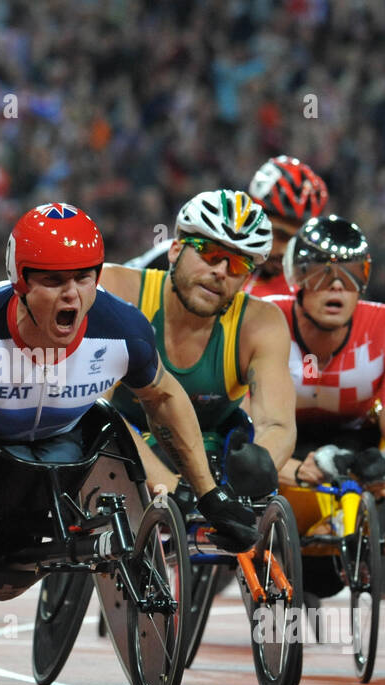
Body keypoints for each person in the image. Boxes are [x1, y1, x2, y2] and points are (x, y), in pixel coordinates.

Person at [0, 202, 259, 600]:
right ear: (20, 281)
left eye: (83, 278)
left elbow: (164, 395)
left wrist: (209, 494)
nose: (72, 296)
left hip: (64, 448)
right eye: (54, 281)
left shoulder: (123, 330)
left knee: (3, 580)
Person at [268, 215, 385, 599]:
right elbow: (246, 431)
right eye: (322, 273)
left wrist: (384, 466)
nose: (338, 284)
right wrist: (292, 472)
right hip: (283, 441)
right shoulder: (264, 320)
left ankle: (344, 529)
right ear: (296, 277)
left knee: (324, 575)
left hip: (355, 441)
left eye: (353, 273)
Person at [103, 189, 296, 500]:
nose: (220, 271)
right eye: (208, 252)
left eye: (237, 265)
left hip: (211, 453)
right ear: (175, 249)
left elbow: (277, 423)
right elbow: (94, 408)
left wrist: (254, 468)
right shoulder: (117, 289)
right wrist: (171, 486)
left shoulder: (262, 323)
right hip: (123, 449)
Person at [123, 156, 328, 304]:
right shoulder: (174, 255)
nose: (286, 250)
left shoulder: (307, 294)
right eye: (280, 234)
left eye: (298, 238)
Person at [242, 156, 330, 298]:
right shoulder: (211, 264)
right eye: (280, 235)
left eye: (298, 241)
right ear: (250, 218)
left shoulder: (305, 297)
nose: (286, 251)